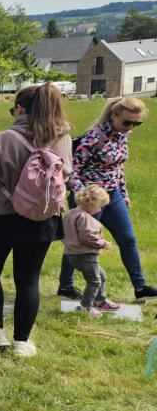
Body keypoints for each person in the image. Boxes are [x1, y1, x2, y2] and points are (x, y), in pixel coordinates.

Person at [0, 82, 73, 357]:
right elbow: (66, 176)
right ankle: (22, 342)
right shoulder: (62, 139)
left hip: (0, 217)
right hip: (42, 219)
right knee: (28, 280)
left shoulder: (3, 139)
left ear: (21, 110)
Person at [57, 97, 155, 302]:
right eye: (127, 122)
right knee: (80, 242)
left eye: (136, 123)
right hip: (89, 198)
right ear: (113, 116)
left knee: (128, 239)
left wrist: (123, 193)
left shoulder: (123, 136)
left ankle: (140, 288)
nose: (131, 127)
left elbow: (118, 167)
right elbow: (71, 170)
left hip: (113, 195)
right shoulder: (94, 137)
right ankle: (66, 286)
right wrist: (84, 196)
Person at [62, 184, 120, 316]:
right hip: (85, 255)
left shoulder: (70, 214)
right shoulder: (84, 217)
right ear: (92, 203)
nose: (100, 209)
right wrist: (103, 243)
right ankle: (86, 307)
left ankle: (100, 300)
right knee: (94, 281)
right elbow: (88, 237)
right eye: (100, 206)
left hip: (73, 254)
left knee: (101, 275)